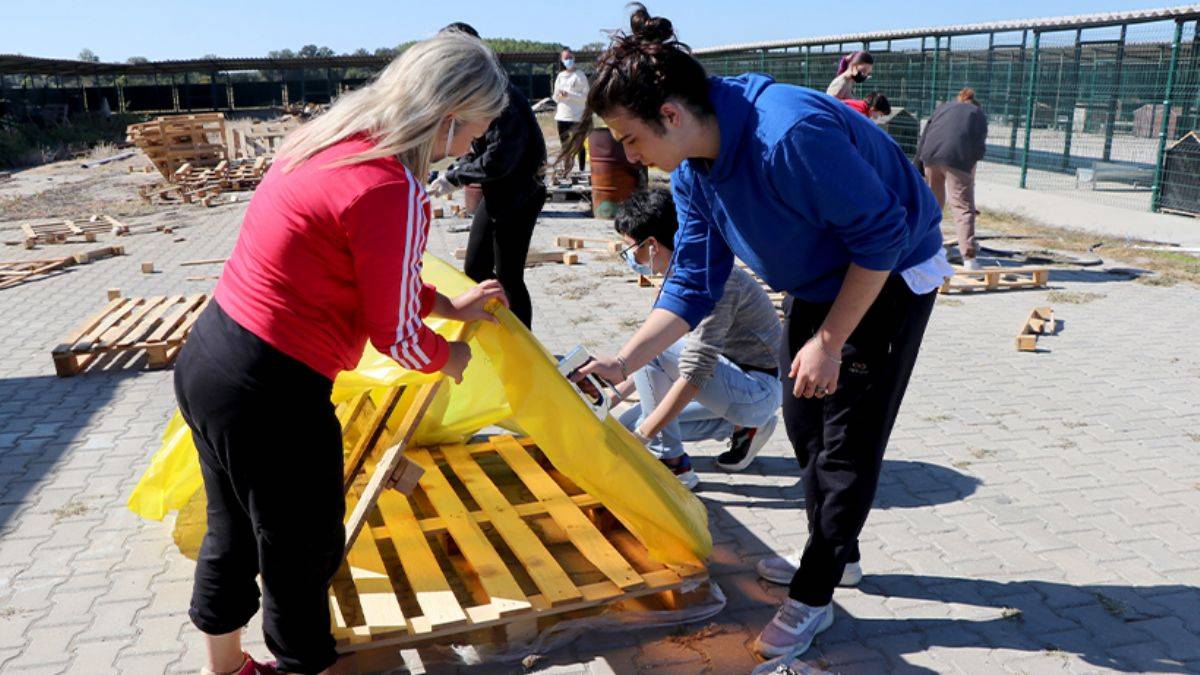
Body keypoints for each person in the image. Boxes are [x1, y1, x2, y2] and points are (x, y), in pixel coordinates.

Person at [563, 4, 951, 660]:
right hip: (822, 278)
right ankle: (840, 555)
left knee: (844, 445)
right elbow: (692, 283)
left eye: (630, 139)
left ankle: (815, 593)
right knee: (802, 421)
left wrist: (829, 342)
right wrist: (624, 359)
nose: (627, 155)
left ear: (673, 116)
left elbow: (882, 235)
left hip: (888, 275)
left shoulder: (790, 135)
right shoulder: (695, 173)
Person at [174, 33, 510, 675]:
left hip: (211, 356)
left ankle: (224, 668)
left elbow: (371, 272)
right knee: (302, 550)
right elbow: (396, 334)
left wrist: (447, 305)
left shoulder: (328, 141)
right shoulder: (395, 186)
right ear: (447, 118)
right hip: (273, 387)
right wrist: (447, 356)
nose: (475, 146)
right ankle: (306, 665)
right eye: (477, 130)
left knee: (233, 531)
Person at [612, 189, 782, 487]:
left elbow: (692, 369)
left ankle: (674, 465)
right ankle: (744, 428)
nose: (629, 258)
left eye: (629, 249)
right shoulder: (678, 276)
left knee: (649, 425)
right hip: (730, 379)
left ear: (652, 245)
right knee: (629, 424)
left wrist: (643, 438)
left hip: (757, 388)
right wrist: (610, 397)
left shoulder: (714, 282)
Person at [428, 23, 548, 328]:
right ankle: (495, 331)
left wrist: (455, 178)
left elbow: (498, 158)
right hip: (500, 193)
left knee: (508, 275)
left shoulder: (501, 96)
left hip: (519, 193)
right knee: (476, 268)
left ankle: (524, 344)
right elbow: (477, 145)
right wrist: (455, 171)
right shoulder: (483, 93)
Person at [918, 87, 988, 270]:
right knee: (963, 209)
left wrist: (918, 165)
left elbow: (924, 135)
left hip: (930, 156)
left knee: (933, 206)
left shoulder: (942, 108)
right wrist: (970, 184)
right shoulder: (977, 114)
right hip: (956, 159)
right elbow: (978, 149)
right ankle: (969, 259)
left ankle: (930, 251)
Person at [554, 48, 589, 173]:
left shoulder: (580, 75)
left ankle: (581, 170)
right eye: (566, 58)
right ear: (562, 61)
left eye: (570, 57)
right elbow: (555, 97)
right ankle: (567, 170)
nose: (568, 60)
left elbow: (585, 97)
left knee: (579, 145)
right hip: (562, 117)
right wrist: (559, 95)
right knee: (565, 146)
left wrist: (569, 94)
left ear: (574, 58)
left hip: (577, 117)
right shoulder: (560, 76)